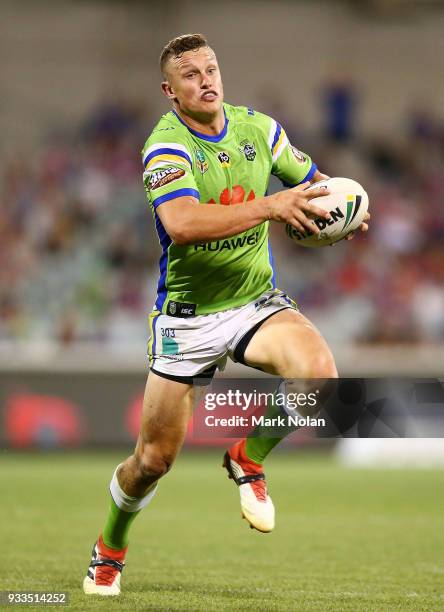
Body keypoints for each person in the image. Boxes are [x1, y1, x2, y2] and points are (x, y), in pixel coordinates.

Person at [83, 33, 369, 596]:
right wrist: (270, 204)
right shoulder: (165, 147)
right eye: (190, 75)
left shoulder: (259, 130)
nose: (206, 80)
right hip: (188, 319)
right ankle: (109, 550)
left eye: (211, 68)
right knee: (151, 463)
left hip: (255, 301)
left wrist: (343, 210)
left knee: (321, 376)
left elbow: (311, 184)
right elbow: (183, 224)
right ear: (170, 91)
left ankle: (248, 456)